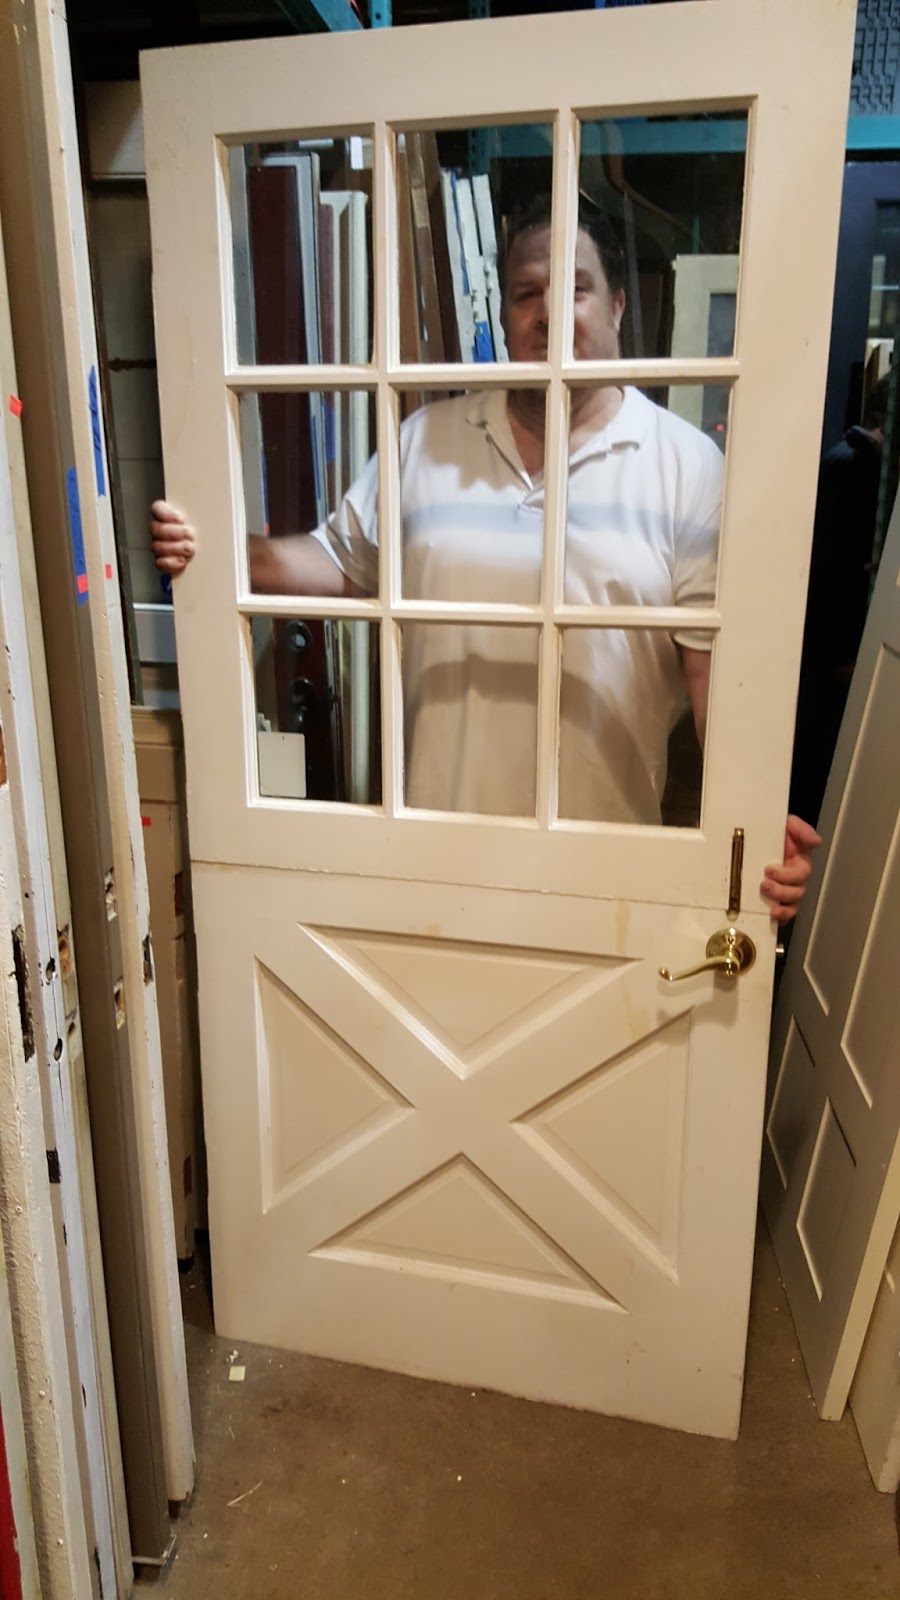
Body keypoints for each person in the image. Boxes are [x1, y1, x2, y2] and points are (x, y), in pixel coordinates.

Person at [151, 198, 818, 921]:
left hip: (603, 877)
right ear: (504, 317)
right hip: (434, 862)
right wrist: (212, 550)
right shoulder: (426, 440)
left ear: (618, 307)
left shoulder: (684, 468)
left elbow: (711, 677)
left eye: (575, 289)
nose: (548, 314)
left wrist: (754, 823)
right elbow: (339, 561)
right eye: (527, 294)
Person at [790, 374, 889, 825]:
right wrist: (842, 658)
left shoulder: (847, 462)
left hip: (829, 658)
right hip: (831, 660)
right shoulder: (853, 469)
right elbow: (827, 573)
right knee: (813, 783)